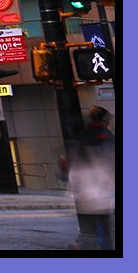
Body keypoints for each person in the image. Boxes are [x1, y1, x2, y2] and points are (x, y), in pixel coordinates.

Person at [70, 107, 114, 250]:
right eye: (109, 118)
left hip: (84, 187)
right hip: (101, 186)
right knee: (106, 226)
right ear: (104, 120)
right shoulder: (105, 135)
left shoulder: (83, 135)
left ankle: (88, 244)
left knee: (94, 226)